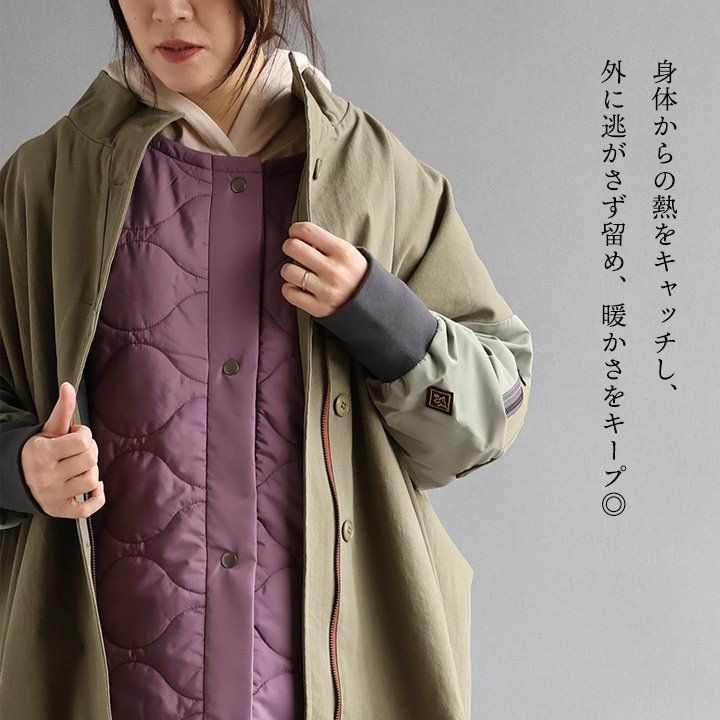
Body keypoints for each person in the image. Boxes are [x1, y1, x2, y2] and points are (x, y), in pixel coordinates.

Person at [0, 2, 534, 719]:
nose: (167, 11)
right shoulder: (48, 181)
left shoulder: (378, 178)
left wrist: (382, 315)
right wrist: (19, 465)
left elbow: (487, 419)